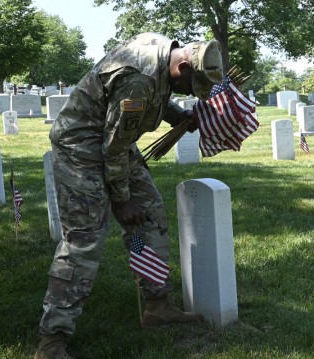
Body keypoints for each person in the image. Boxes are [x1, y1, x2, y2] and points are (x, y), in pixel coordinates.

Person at [34, 33, 224, 359]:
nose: (189, 93)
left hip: (112, 143)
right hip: (81, 147)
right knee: (84, 240)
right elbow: (115, 144)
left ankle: (157, 305)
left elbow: (157, 97)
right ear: (183, 66)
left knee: (150, 218)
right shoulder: (139, 78)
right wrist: (121, 200)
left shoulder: (166, 56)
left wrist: (176, 114)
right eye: (189, 87)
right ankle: (52, 339)